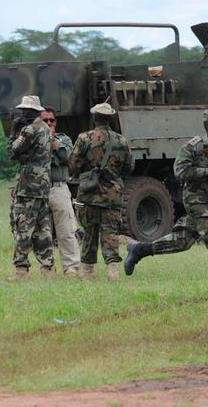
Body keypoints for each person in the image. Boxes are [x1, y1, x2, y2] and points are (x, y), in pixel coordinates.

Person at [124, 110, 208, 297]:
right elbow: (180, 172)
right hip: (195, 200)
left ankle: (139, 250)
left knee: (182, 241)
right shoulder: (193, 147)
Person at [69, 102, 132, 281]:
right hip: (113, 194)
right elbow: (129, 167)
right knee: (111, 232)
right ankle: (113, 270)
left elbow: (73, 164)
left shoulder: (84, 139)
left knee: (89, 231)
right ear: (109, 118)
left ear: (94, 118)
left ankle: (87, 272)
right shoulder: (121, 140)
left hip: (89, 194)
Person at [6, 95, 54, 281]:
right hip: (43, 187)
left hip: (28, 187)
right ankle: (48, 269)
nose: (23, 114)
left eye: (26, 111)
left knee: (23, 227)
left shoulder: (29, 130)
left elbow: (11, 152)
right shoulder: (44, 129)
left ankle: (21, 270)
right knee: (43, 229)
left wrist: (13, 132)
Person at [42, 106, 81, 277]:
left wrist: (53, 143)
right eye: (45, 120)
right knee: (43, 232)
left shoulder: (63, 139)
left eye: (52, 120)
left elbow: (69, 159)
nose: (49, 123)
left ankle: (71, 267)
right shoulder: (33, 141)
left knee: (66, 230)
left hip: (59, 187)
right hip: (39, 189)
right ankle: (47, 267)